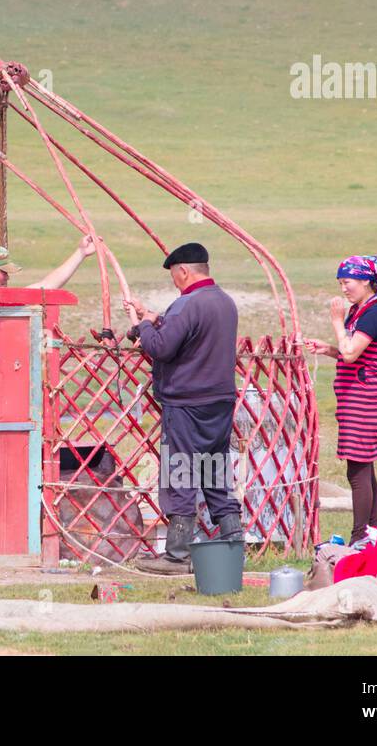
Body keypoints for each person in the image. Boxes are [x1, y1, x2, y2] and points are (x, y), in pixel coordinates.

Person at [0, 237, 98, 563]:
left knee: (10, 461)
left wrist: (80, 253)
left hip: (12, 391)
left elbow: (46, 286)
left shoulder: (10, 300)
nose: (8, 278)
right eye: (2, 273)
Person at [123, 242, 240, 575]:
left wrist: (145, 324)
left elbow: (162, 347)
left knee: (181, 474)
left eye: (175, 275)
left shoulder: (187, 304)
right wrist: (154, 319)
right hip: (219, 403)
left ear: (184, 271)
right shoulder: (224, 302)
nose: (175, 282)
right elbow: (189, 337)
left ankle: (176, 556)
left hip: (187, 404)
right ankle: (234, 543)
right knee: (214, 471)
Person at [304, 254, 377, 545]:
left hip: (365, 399)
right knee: (364, 468)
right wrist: (328, 348)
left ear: (366, 281)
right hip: (356, 398)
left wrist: (334, 322)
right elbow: (349, 351)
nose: (344, 289)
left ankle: (361, 537)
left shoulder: (374, 312)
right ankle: (371, 533)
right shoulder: (359, 311)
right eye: (341, 283)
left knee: (357, 469)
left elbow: (352, 353)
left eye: (348, 282)